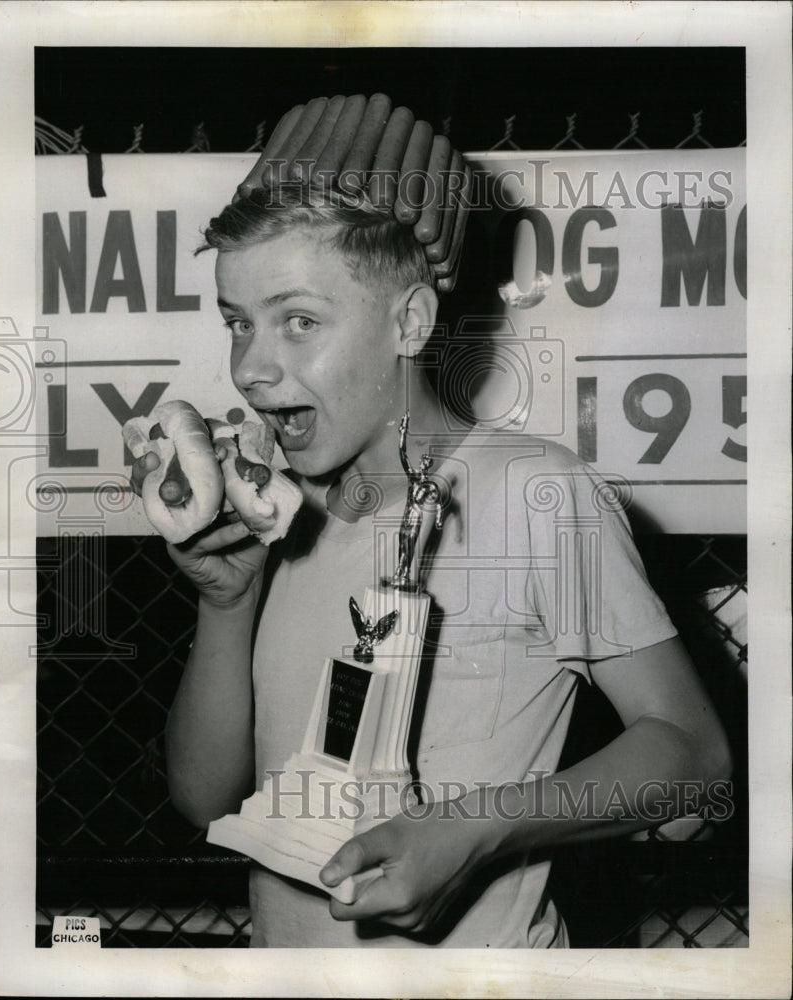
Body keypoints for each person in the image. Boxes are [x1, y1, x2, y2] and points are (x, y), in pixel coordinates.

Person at [131, 97, 731, 948]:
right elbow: (205, 801)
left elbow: (696, 766)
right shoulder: (286, 515)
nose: (253, 368)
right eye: (239, 323)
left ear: (410, 322)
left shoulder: (533, 492)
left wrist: (475, 831)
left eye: (299, 321)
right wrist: (225, 606)